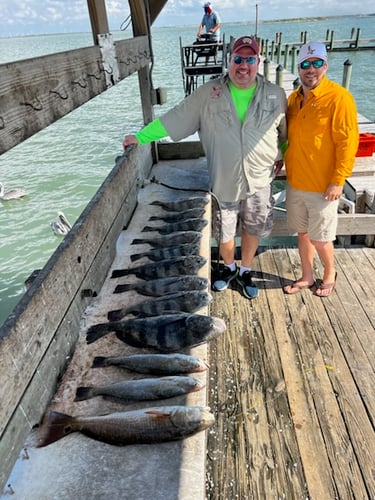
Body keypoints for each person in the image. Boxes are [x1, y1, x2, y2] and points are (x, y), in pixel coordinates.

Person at [123, 35, 287, 299]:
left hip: (259, 178)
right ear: (229, 60)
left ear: (258, 61)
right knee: (225, 229)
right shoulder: (209, 93)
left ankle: (245, 270)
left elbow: (287, 133)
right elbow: (175, 117)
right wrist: (141, 137)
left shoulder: (276, 94)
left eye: (249, 59)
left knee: (254, 227)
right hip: (224, 180)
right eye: (237, 59)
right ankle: (228, 267)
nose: (243, 65)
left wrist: (285, 155)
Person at [283, 41, 359, 297]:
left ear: (325, 66)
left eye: (317, 63)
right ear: (299, 68)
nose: (311, 69)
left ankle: (329, 274)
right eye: (305, 64)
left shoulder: (339, 98)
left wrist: (338, 180)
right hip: (296, 182)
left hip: (323, 186)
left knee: (321, 237)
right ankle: (306, 275)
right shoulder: (293, 100)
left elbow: (347, 143)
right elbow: (287, 138)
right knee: (303, 233)